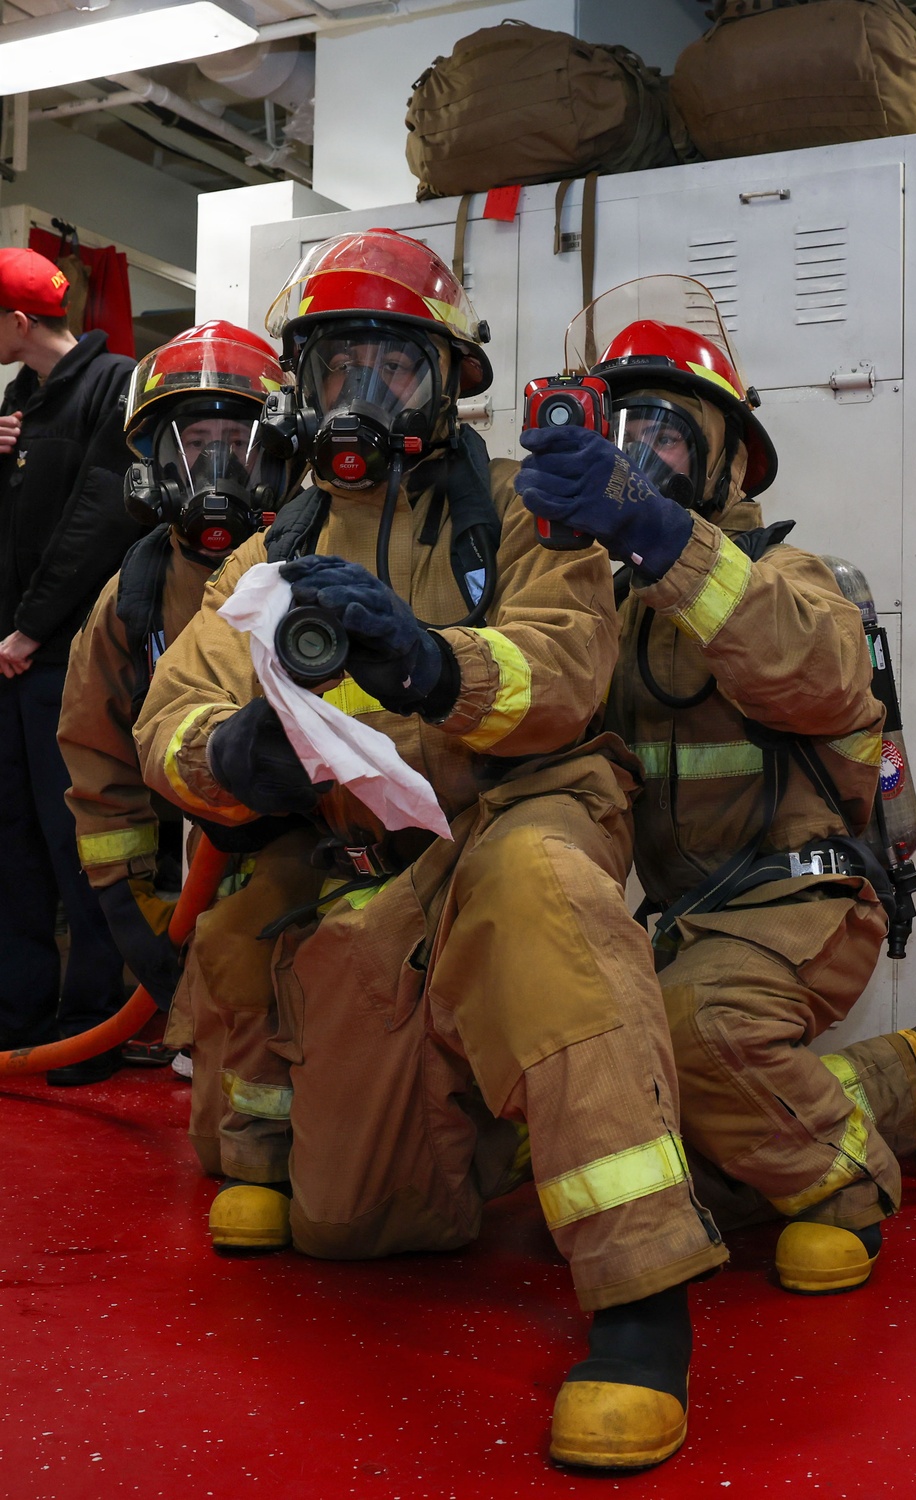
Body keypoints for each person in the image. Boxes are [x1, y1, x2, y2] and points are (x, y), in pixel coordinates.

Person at [133, 229, 743, 1473]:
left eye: (392, 367)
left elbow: (568, 671)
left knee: (544, 907)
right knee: (353, 1222)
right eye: (336, 365)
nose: (360, 397)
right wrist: (237, 755)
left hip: (521, 806)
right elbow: (166, 726)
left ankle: (639, 1307)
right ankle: (513, 1119)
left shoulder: (529, 505)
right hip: (375, 861)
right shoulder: (268, 550)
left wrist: (427, 662)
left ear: (447, 380)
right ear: (298, 388)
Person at [515, 274, 916, 1308]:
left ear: (726, 460)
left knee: (694, 1030)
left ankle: (848, 1185)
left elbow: (815, 671)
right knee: (594, 1074)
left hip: (806, 900)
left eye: (668, 434)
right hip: (686, 920)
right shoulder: (599, 603)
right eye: (619, 427)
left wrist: (658, 535)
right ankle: (895, 1084)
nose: (639, 455)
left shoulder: (793, 576)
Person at [57, 321, 291, 1092]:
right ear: (157, 463)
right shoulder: (134, 595)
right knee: (232, 1103)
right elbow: (95, 760)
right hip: (209, 858)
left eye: (239, 436)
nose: (219, 461)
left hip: (327, 855)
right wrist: (138, 919)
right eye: (197, 439)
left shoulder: (323, 551)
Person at [0, 246, 142, 1081]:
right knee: (11, 842)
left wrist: (29, 630)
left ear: (20, 323)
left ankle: (94, 1020)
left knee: (82, 840)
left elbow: (100, 518)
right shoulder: (18, 400)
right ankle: (18, 1013)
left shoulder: (113, 385)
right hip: (11, 659)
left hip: (66, 661)